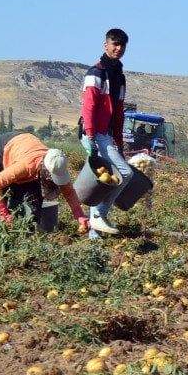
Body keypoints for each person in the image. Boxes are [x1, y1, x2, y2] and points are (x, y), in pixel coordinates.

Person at [0, 131, 89, 241]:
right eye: (50, 179)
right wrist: (4, 214)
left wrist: (80, 217)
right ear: (45, 171)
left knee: (33, 201)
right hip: (1, 150)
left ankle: (25, 237)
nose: (51, 181)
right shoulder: (27, 166)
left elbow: (68, 192)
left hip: (27, 151)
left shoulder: (58, 166)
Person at [79, 28, 133, 237]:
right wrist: (90, 134)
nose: (118, 49)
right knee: (124, 173)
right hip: (95, 133)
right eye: (115, 44)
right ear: (106, 45)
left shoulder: (119, 76)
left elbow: (118, 111)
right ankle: (99, 215)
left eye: (122, 46)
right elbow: (89, 105)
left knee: (103, 179)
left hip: (106, 134)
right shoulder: (96, 72)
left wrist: (118, 139)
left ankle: (95, 233)